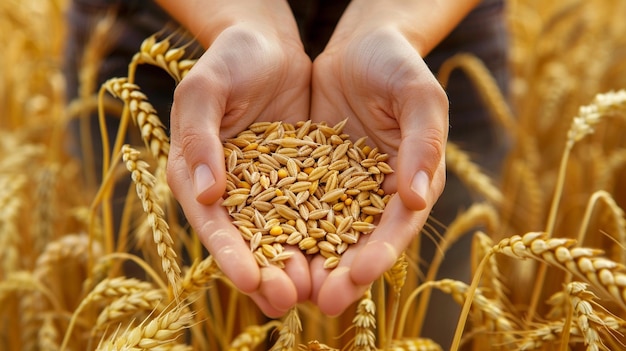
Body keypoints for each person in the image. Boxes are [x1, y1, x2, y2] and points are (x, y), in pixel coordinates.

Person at [65, 0, 508, 346]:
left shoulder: (332, 177)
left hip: (437, 38)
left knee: (427, 325)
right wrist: (243, 17)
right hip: (164, 39)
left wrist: (394, 21)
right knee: (165, 312)